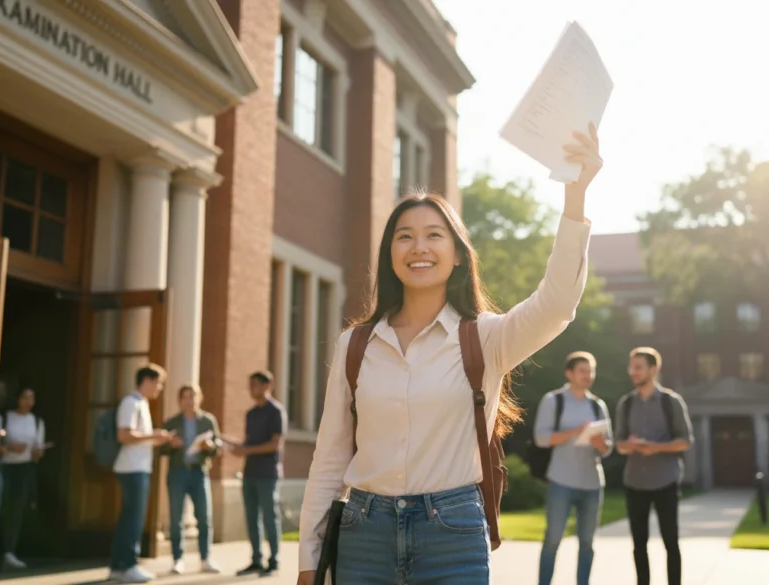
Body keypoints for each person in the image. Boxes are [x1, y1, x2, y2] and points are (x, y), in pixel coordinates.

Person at [296, 124, 602, 585]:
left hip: (452, 533)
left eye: (434, 235)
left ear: (458, 254)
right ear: (390, 254)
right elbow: (330, 457)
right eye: (404, 236)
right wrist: (308, 560)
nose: (419, 247)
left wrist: (574, 198)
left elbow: (557, 304)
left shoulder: (486, 339)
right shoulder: (356, 345)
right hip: (364, 535)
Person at [614, 347, 694, 585]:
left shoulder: (672, 402)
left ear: (654, 369)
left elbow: (686, 441)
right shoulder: (626, 404)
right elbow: (618, 444)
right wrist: (628, 445)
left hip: (666, 481)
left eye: (638, 367)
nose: (633, 372)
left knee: (671, 542)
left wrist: (655, 447)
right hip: (634, 481)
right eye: (631, 367)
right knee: (639, 543)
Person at [534, 351, 613, 585]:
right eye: (582, 370)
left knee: (587, 544)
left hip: (592, 483)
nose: (587, 375)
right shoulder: (553, 400)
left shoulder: (598, 405)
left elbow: (607, 447)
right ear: (569, 373)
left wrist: (599, 442)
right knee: (552, 540)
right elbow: (541, 438)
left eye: (591, 371)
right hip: (561, 481)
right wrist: (576, 432)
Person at [108, 364, 174, 584]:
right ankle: (128, 564)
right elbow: (124, 436)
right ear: (147, 380)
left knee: (128, 518)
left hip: (137, 467)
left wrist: (156, 439)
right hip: (131, 468)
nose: (160, 388)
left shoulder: (142, 403)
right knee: (133, 520)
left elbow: (137, 438)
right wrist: (152, 435)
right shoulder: (131, 402)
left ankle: (118, 567)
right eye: (158, 382)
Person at [228, 371, 287, 577]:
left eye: (254, 384)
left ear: (266, 385)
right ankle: (255, 560)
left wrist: (246, 450)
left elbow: (274, 444)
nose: (250, 388)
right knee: (252, 517)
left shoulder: (276, 411)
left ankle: (274, 560)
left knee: (270, 517)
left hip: (268, 474)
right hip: (249, 473)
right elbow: (248, 444)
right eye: (249, 384)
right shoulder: (250, 414)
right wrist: (231, 445)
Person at [160, 384, 222, 575]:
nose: (189, 400)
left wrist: (209, 446)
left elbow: (217, 449)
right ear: (180, 400)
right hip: (177, 472)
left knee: (204, 517)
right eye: (185, 397)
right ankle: (178, 560)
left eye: (193, 396)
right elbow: (161, 449)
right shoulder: (171, 422)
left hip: (199, 472)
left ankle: (205, 559)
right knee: (176, 518)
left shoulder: (208, 420)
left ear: (199, 398)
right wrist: (172, 445)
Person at [0, 387, 48, 570]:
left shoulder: (36, 421)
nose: (28, 402)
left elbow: (38, 450)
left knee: (16, 509)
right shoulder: (5, 417)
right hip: (4, 466)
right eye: (25, 397)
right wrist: (10, 447)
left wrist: (37, 452)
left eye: (32, 398)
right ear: (17, 398)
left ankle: (9, 551)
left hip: (25, 467)